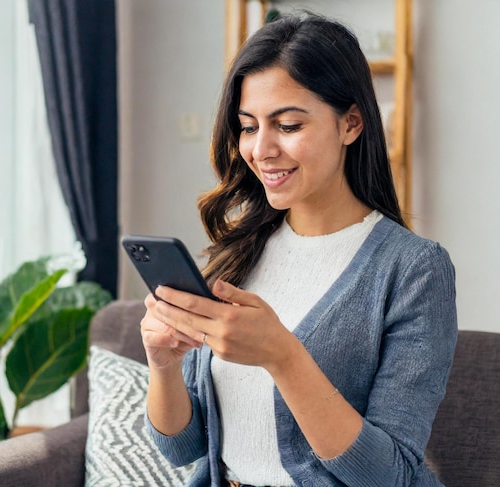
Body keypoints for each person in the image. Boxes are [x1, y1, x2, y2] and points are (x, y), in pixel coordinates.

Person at [140, 11, 457, 487]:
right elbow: (184, 447)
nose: (261, 149)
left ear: (350, 123)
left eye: (287, 125)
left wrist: (283, 357)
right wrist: (163, 367)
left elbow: (388, 475)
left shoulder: (414, 270)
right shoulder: (241, 252)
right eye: (248, 127)